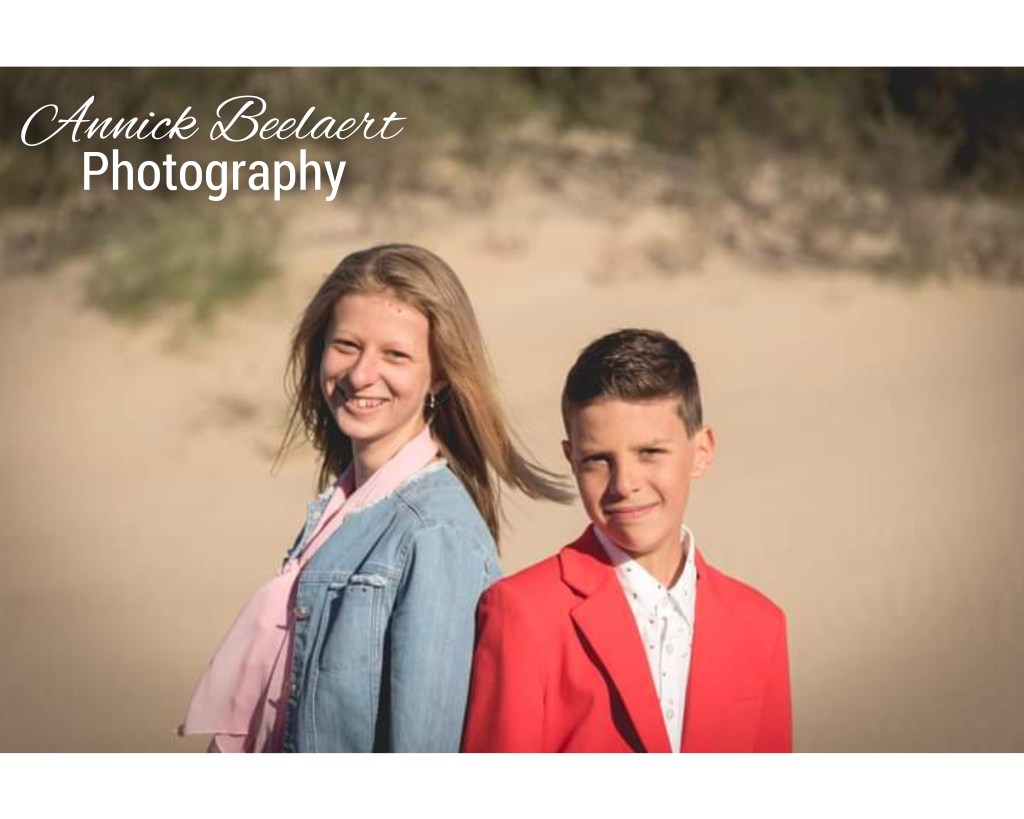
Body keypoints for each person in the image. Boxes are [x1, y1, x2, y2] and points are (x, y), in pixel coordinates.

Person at [180, 243, 569, 752]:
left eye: (395, 355)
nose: (361, 374)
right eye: (346, 345)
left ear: (441, 374)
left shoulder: (435, 534)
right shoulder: (345, 509)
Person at [461, 328, 792, 752]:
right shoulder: (522, 613)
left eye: (649, 452)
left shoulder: (760, 625)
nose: (624, 483)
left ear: (701, 451)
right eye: (598, 459)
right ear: (571, 460)